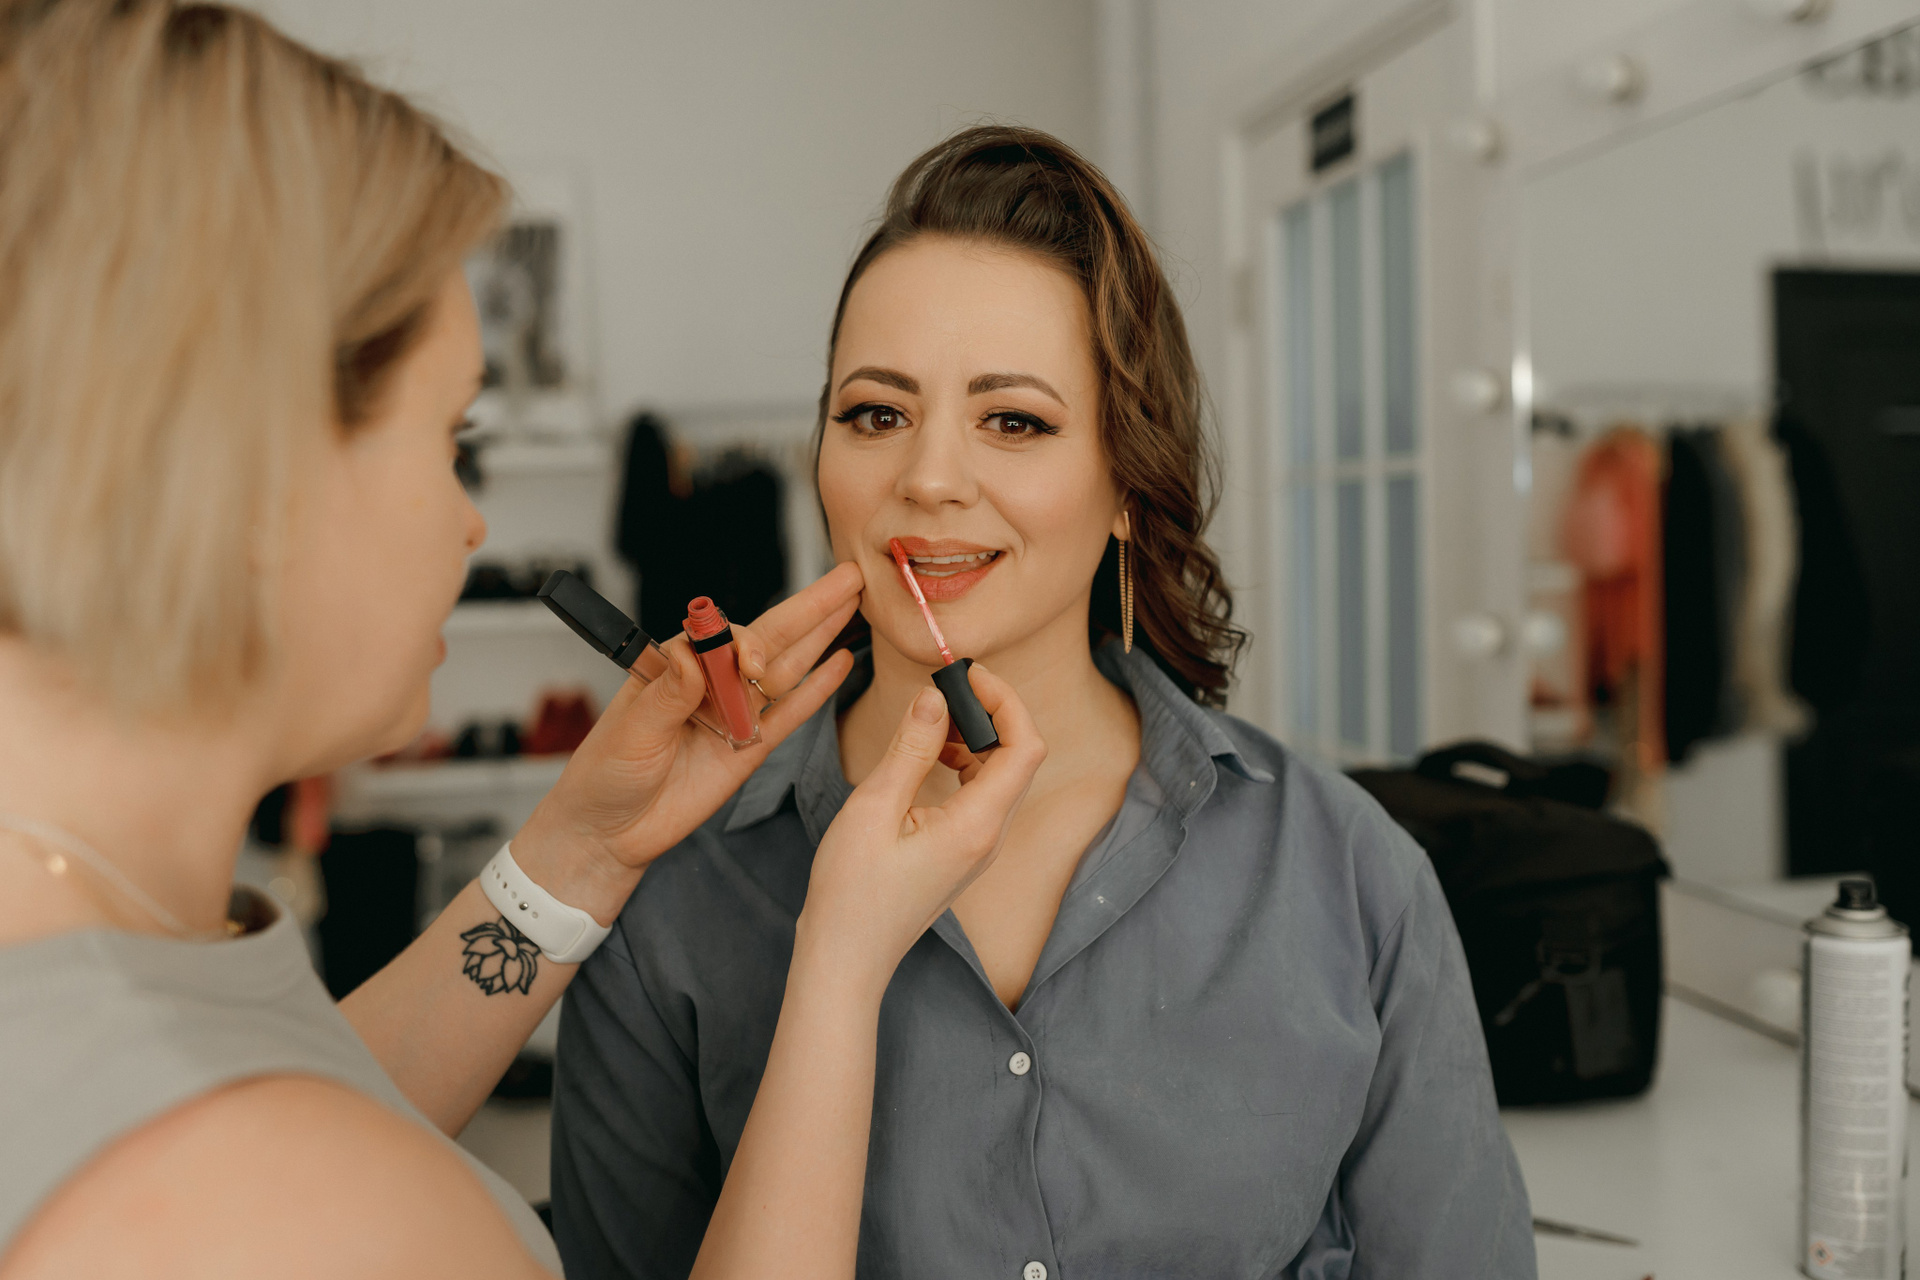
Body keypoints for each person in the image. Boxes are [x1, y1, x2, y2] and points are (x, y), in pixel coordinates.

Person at [0, 5, 1045, 1278]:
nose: (471, 519)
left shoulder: (98, 974)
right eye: (454, 439)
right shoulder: (261, 1200)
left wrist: (582, 850)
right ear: (253, 470)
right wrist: (840, 958)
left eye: (1017, 422)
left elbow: (319, 1090)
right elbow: (278, 1164)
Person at [551, 125, 1537, 1279]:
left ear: (1127, 483)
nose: (928, 477)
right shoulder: (678, 893)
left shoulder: (1346, 872)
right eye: (876, 414)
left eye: (1014, 420)